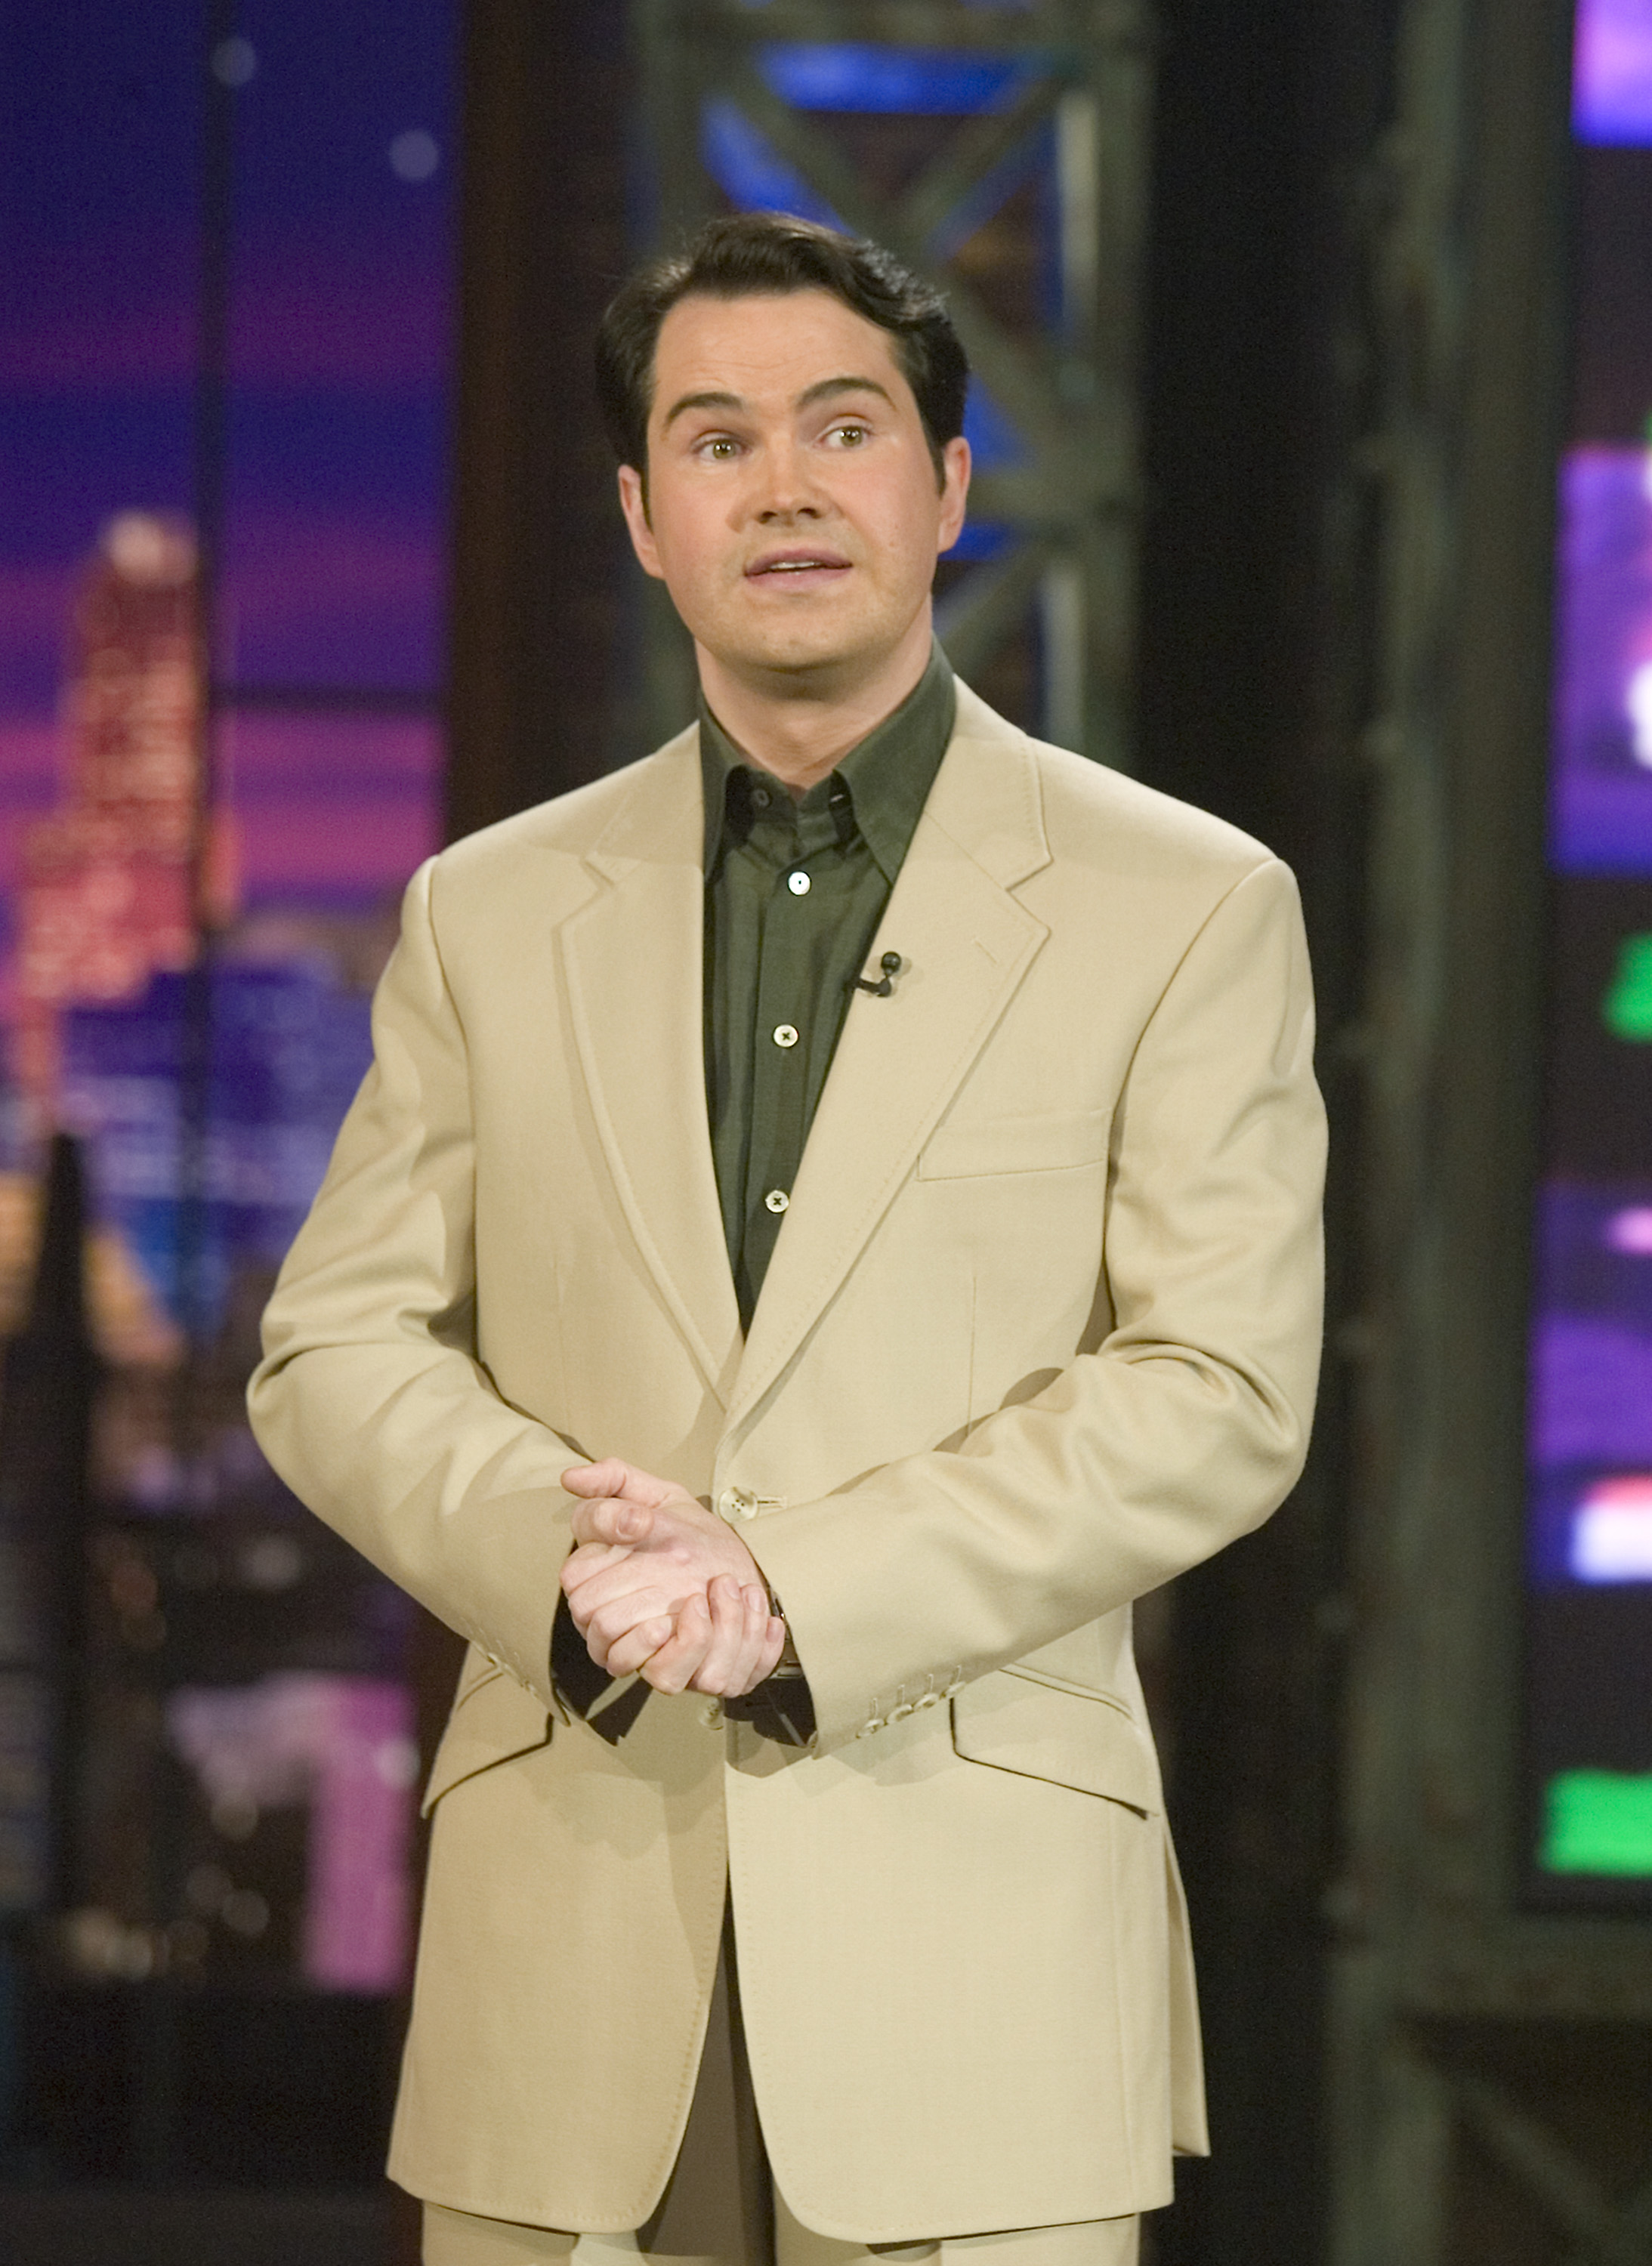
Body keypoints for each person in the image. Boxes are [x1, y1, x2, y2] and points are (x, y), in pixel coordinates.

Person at [249, 211, 1325, 2266]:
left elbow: (1217, 1391)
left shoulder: (1182, 903)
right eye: (715, 439)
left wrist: (790, 1585)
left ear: (945, 488)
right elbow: (334, 1350)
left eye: (843, 427)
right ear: (646, 519)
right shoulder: (489, 908)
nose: (785, 483)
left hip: (977, 1952)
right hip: (566, 1954)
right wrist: (572, 1562)